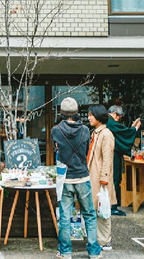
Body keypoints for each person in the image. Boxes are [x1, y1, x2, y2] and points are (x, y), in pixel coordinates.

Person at [52, 97, 102, 259]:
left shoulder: (56, 130)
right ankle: (94, 251)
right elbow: (85, 150)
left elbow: (57, 150)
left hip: (65, 177)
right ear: (76, 112)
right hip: (82, 176)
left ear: (62, 113)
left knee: (65, 216)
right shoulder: (86, 131)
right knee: (89, 214)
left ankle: (66, 252)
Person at [87, 104, 116, 252]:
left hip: (100, 179)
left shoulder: (106, 134)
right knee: (95, 209)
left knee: (103, 210)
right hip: (93, 176)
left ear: (98, 116)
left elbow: (107, 159)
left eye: (91, 115)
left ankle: (105, 241)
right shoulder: (95, 133)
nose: (89, 117)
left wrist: (104, 179)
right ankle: (97, 239)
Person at [106, 105, 140, 217]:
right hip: (112, 156)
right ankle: (113, 206)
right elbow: (124, 133)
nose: (119, 119)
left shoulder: (108, 122)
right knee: (114, 179)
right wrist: (135, 129)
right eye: (119, 117)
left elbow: (121, 133)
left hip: (110, 155)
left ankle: (110, 205)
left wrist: (131, 128)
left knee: (112, 179)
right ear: (114, 113)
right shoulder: (110, 122)